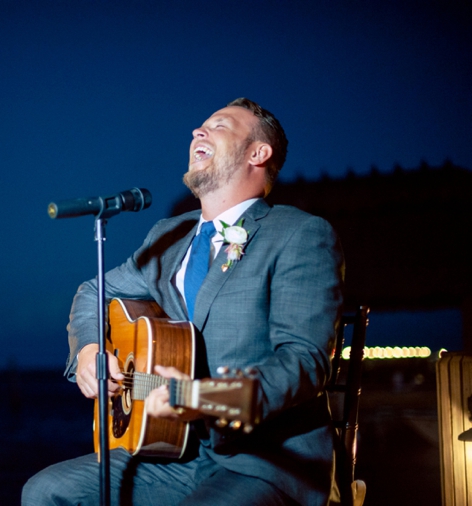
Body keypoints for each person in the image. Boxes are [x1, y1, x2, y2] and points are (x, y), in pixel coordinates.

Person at [22, 98, 344, 506]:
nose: (198, 131)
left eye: (220, 125)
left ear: (258, 153)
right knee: (45, 491)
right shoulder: (168, 235)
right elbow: (92, 293)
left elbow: (303, 360)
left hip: (264, 461)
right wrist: (89, 350)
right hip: (173, 453)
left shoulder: (299, 234)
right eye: (199, 127)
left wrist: (202, 395)